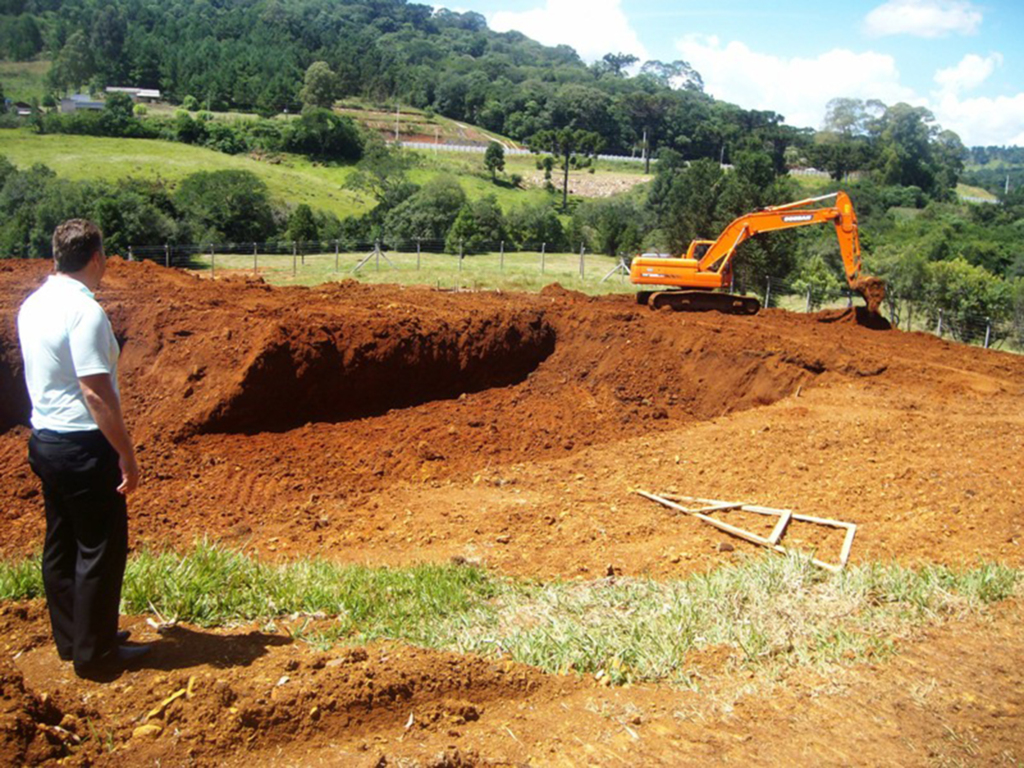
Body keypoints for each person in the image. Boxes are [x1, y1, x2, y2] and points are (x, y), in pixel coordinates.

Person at [17, 219, 149, 677]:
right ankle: (97, 656)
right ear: (96, 258)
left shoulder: (33, 304)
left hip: (45, 441)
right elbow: (95, 393)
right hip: (82, 445)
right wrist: (126, 454)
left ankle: (74, 639)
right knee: (100, 547)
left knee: (62, 542)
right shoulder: (84, 311)